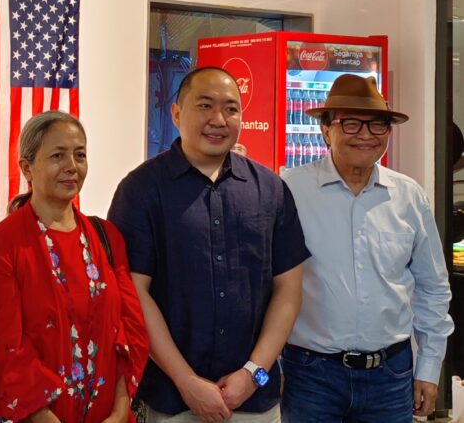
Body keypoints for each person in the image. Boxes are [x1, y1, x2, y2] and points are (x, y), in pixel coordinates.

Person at [108, 66, 310, 422]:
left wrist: (254, 374)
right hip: (171, 400)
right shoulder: (140, 190)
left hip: (255, 400)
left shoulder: (270, 189)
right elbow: (134, 294)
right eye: (204, 106)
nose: (218, 119)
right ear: (176, 114)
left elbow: (289, 290)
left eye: (231, 109)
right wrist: (185, 381)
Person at [280, 74, 454, 422]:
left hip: (391, 375)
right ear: (326, 130)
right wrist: (268, 366)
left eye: (378, 125)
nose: (366, 135)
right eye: (351, 123)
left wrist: (429, 367)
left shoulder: (408, 196)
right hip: (310, 375)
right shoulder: (290, 191)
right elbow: (264, 286)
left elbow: (433, 287)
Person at [0, 110, 149, 423]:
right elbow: (4, 347)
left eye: (79, 155)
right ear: (27, 168)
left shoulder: (107, 237)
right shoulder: (3, 244)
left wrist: (119, 411)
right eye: (58, 155)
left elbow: (129, 332)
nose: (72, 166)